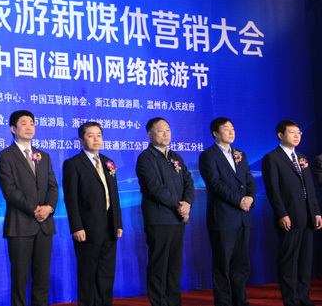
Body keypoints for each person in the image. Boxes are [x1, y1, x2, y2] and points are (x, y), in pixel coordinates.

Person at [0, 110, 58, 306]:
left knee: (42, 278)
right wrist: (36, 208)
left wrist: (49, 207)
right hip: (20, 225)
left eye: (32, 123)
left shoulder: (43, 156)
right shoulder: (5, 156)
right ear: (13, 129)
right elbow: (9, 190)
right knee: (20, 279)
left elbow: (53, 186)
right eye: (24, 123)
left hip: (44, 225)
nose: (29, 127)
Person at [135, 117, 195, 306]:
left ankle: (174, 302)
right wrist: (178, 205)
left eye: (168, 129)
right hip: (159, 218)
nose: (165, 133)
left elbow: (189, 181)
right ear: (149, 134)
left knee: (175, 265)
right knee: (159, 265)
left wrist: (187, 203)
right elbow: (154, 188)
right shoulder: (145, 158)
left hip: (178, 219)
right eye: (160, 130)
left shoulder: (176, 157)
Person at [262, 120, 322, 306]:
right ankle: (291, 299)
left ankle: (304, 297)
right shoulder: (272, 158)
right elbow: (273, 190)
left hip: (308, 215)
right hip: (289, 216)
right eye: (292, 132)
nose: (297, 135)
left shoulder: (302, 158)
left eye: (298, 132)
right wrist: (281, 213)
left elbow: (309, 187)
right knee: (289, 260)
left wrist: (316, 212)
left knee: (305, 260)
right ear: (280, 135)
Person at [63, 122, 123, 306]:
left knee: (106, 273)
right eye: (90, 135)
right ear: (81, 140)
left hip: (109, 226)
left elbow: (114, 195)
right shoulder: (73, 164)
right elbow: (71, 199)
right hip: (87, 229)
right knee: (88, 275)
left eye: (99, 135)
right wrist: (77, 227)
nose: (96, 139)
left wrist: (118, 223)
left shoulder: (108, 162)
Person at [199, 118, 255, 306]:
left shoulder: (240, 154)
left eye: (232, 128)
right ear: (215, 133)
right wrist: (239, 200)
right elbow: (215, 184)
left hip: (243, 217)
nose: (231, 132)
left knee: (241, 264)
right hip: (223, 217)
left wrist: (250, 198)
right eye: (226, 129)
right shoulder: (208, 155)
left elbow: (249, 180)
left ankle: (241, 301)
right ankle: (223, 302)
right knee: (222, 264)